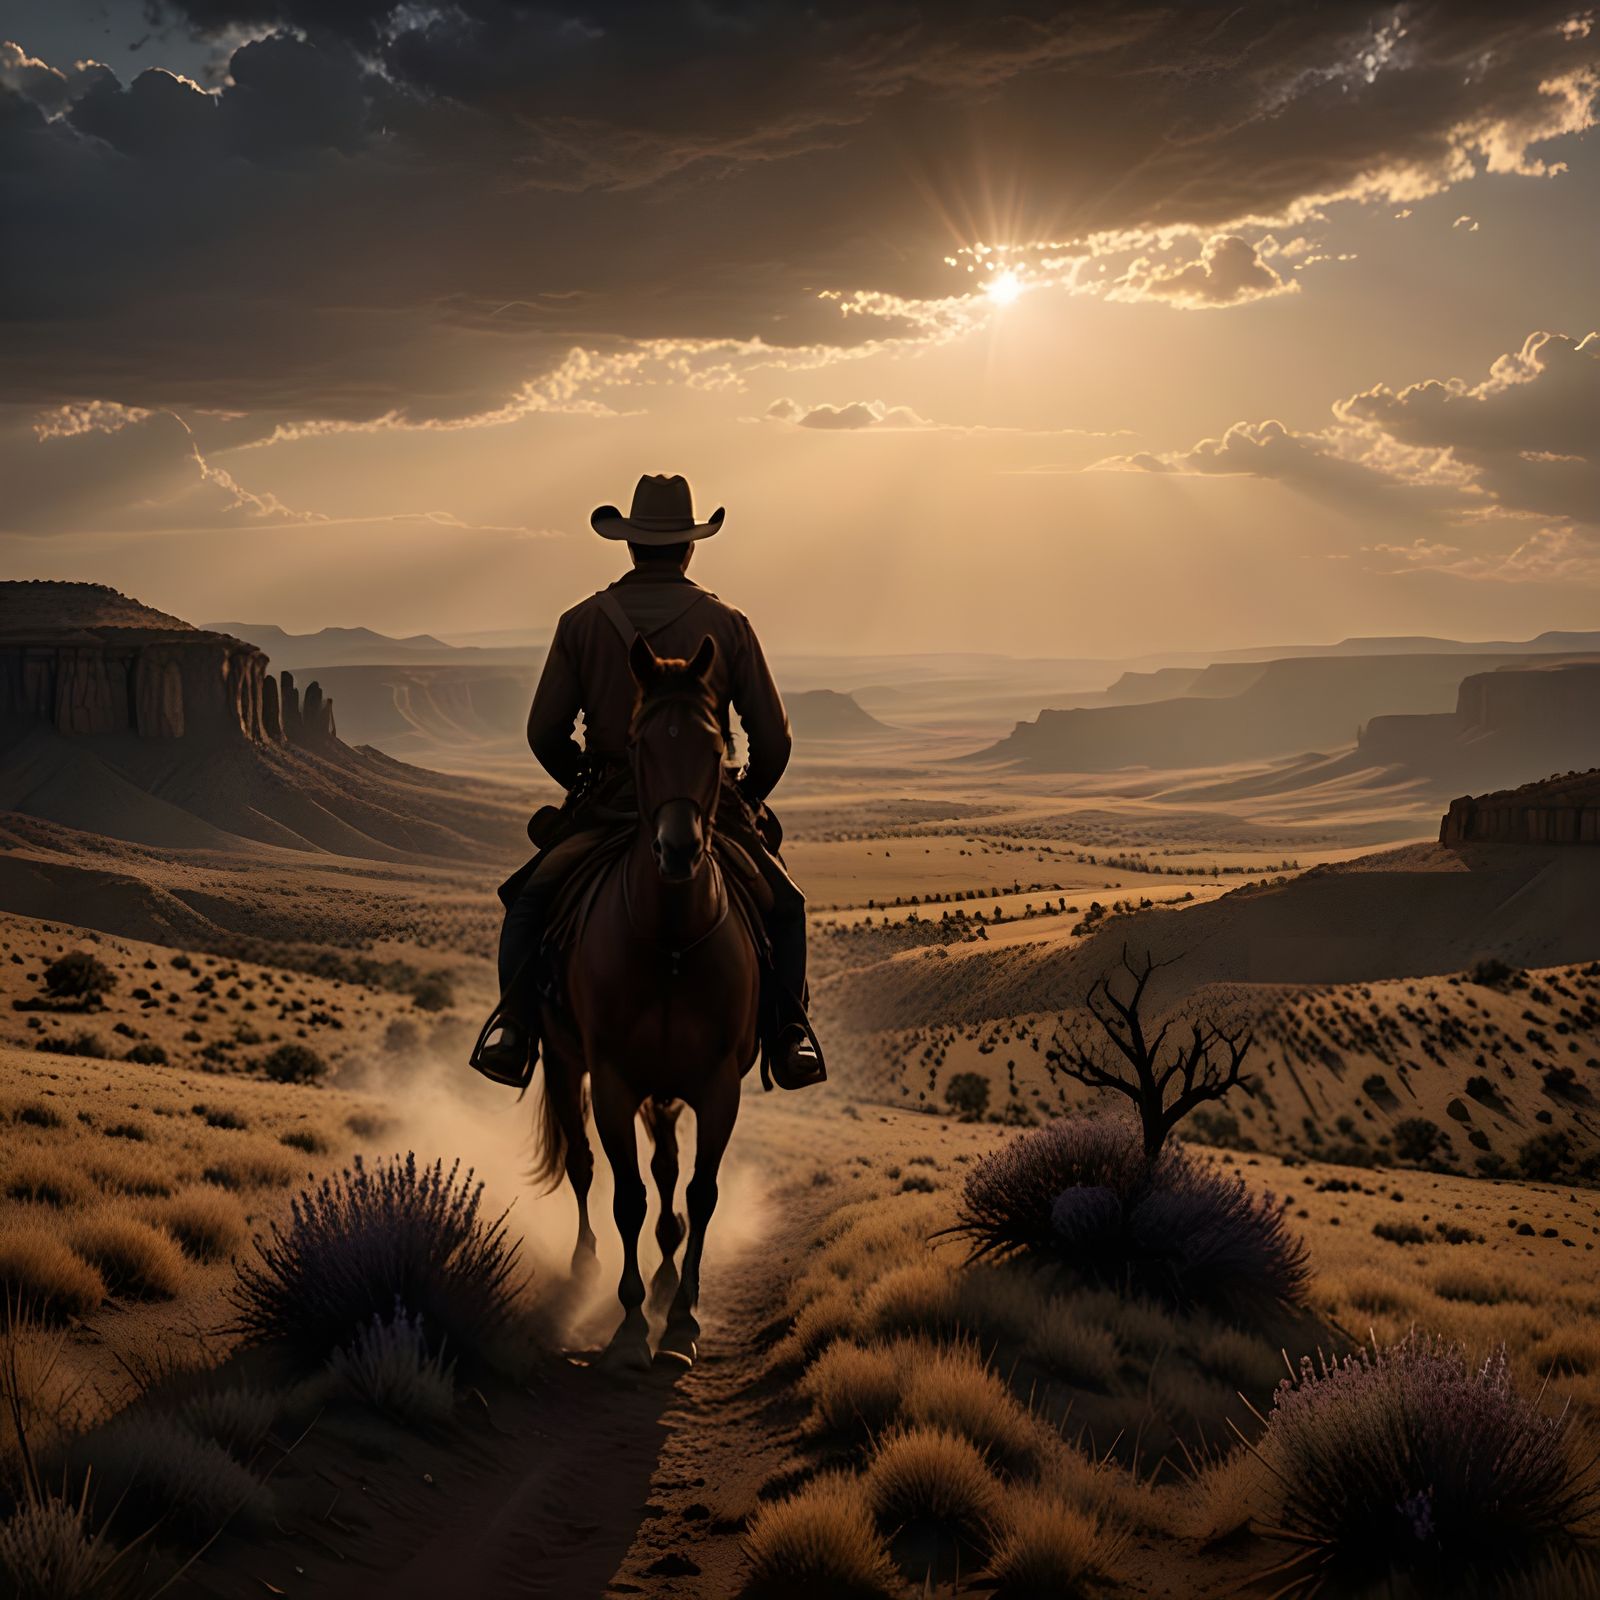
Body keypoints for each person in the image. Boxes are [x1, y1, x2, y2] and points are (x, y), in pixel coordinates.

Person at [471, 472, 825, 1091]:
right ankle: (788, 1036)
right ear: (690, 547)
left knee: (528, 902)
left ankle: (515, 1031)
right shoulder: (729, 623)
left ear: (630, 546)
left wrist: (585, 780)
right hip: (703, 807)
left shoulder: (581, 622)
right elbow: (775, 740)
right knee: (786, 907)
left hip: (609, 806)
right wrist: (736, 798)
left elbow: (542, 732)